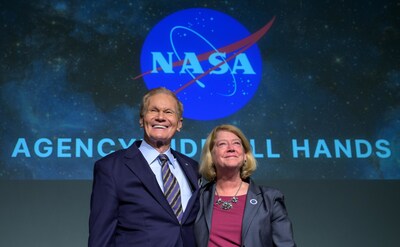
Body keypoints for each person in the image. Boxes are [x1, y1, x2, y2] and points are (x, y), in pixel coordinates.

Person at [88, 87, 200, 246]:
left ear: (179, 123)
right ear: (141, 119)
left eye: (169, 112)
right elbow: (101, 236)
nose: (161, 117)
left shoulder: (193, 168)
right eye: (153, 110)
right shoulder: (111, 168)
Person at [194, 124, 296, 247]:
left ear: (245, 156)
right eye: (222, 144)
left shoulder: (270, 199)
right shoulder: (197, 198)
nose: (231, 148)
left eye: (237, 143)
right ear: (211, 156)